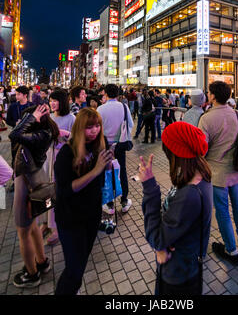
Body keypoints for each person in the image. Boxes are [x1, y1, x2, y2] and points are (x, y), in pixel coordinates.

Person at [139, 121, 213, 296]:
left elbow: (157, 238)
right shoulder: (199, 173)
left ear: (175, 152)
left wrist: (150, 187)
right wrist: (165, 244)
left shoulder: (189, 194)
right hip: (184, 265)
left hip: (177, 273)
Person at [54, 108, 113, 295]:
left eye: (97, 126)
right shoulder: (66, 153)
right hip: (70, 218)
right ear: (80, 128)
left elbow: (101, 177)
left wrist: (108, 164)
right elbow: (65, 190)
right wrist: (96, 170)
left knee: (80, 262)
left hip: (92, 215)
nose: (94, 131)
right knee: (74, 269)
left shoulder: (98, 147)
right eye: (89, 127)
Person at [199, 81, 238, 266]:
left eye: (208, 92)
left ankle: (231, 249)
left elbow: (202, 149)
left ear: (213, 96)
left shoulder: (206, 119)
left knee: (222, 211)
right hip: (237, 171)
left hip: (217, 174)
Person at [10, 104, 59, 288]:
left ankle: (32, 274)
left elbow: (14, 134)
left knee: (24, 232)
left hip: (26, 183)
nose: (20, 124)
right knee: (32, 227)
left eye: (24, 121)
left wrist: (32, 117)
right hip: (32, 180)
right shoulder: (43, 133)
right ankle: (42, 261)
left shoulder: (39, 135)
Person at [39, 89, 76, 246]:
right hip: (48, 157)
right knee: (46, 190)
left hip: (62, 159)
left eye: (55, 100)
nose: (52, 103)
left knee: (58, 191)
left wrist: (64, 135)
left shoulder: (72, 118)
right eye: (51, 100)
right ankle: (46, 222)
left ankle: (56, 227)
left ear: (63, 101)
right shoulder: (49, 117)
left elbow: (76, 141)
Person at [97, 84, 133, 214]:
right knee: (121, 171)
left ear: (105, 93)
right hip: (120, 145)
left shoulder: (100, 109)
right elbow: (131, 124)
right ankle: (124, 201)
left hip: (105, 145)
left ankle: (109, 203)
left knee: (107, 173)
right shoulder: (124, 107)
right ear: (118, 94)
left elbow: (97, 128)